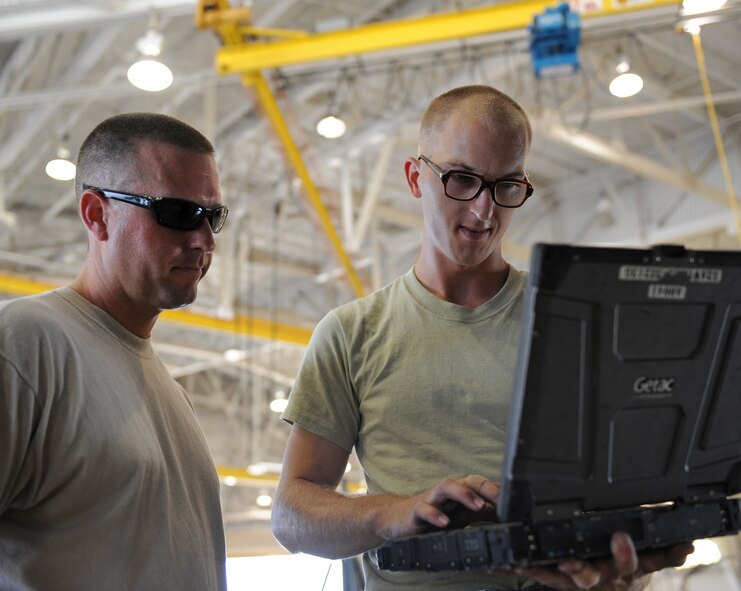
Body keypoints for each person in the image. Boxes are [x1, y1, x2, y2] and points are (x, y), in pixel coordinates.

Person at [271, 85, 693, 590]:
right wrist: (396, 513)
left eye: (507, 187)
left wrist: (618, 571)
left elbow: (619, 500)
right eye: (462, 180)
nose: (484, 212)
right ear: (414, 177)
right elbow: (292, 515)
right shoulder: (351, 335)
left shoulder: (575, 325)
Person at [0, 112, 230, 590]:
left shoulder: (170, 392)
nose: (204, 240)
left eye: (213, 217)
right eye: (179, 213)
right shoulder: (26, 346)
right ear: (96, 214)